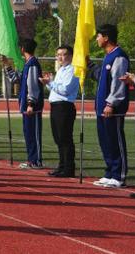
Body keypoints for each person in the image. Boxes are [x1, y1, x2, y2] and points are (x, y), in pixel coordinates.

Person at [88, 24, 130, 188]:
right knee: (105, 141)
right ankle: (110, 172)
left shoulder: (118, 56)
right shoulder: (107, 56)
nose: (97, 39)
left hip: (113, 109)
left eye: (98, 36)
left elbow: (118, 84)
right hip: (101, 108)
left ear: (106, 37)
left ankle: (119, 175)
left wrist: (111, 103)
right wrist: (90, 65)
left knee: (115, 140)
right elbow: (102, 78)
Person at [3, 38, 44, 169]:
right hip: (26, 107)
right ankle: (31, 159)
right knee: (28, 134)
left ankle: (37, 160)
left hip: (32, 107)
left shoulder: (32, 64)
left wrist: (31, 103)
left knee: (34, 134)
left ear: (22, 49)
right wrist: (7, 66)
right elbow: (15, 79)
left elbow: (33, 85)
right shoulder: (27, 64)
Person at [40, 45, 79, 178]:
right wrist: (49, 82)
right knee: (58, 138)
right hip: (56, 106)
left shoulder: (72, 69)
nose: (61, 57)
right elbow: (57, 89)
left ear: (71, 55)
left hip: (64, 107)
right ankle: (62, 166)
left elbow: (65, 90)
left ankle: (68, 168)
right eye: (58, 55)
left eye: (64, 54)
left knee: (65, 138)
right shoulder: (61, 70)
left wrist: (50, 82)